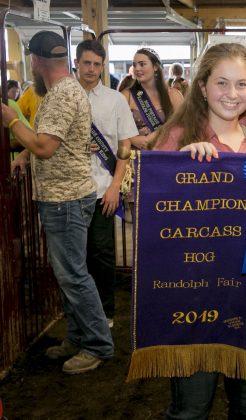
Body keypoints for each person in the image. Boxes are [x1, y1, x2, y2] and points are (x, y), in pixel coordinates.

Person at [152, 42, 246, 419]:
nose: (232, 95)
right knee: (191, 407)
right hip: (193, 291)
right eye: (222, 83)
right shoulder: (176, 138)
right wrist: (178, 170)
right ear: (202, 87)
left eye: (242, 85)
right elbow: (147, 214)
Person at [2, 30, 114, 374]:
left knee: (74, 275)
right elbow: (51, 145)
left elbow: (45, 146)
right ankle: (78, 336)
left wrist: (12, 122)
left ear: (35, 61)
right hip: (63, 196)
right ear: (63, 59)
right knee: (68, 274)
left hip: (65, 198)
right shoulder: (62, 91)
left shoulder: (62, 94)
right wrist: (24, 155)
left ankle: (97, 343)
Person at [74, 40, 138, 328]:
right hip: (69, 190)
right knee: (76, 255)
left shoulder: (115, 99)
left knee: (102, 253)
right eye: (86, 63)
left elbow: (125, 146)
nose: (91, 69)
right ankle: (79, 315)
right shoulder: (63, 96)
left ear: (103, 66)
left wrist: (116, 186)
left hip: (102, 189)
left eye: (97, 64)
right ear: (77, 62)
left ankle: (106, 314)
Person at [120, 47, 183, 149]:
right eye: (134, 65)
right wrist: (133, 139)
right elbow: (115, 128)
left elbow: (184, 127)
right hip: (135, 158)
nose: (137, 69)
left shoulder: (174, 95)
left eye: (142, 64)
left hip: (165, 156)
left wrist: (155, 136)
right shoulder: (126, 95)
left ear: (155, 67)